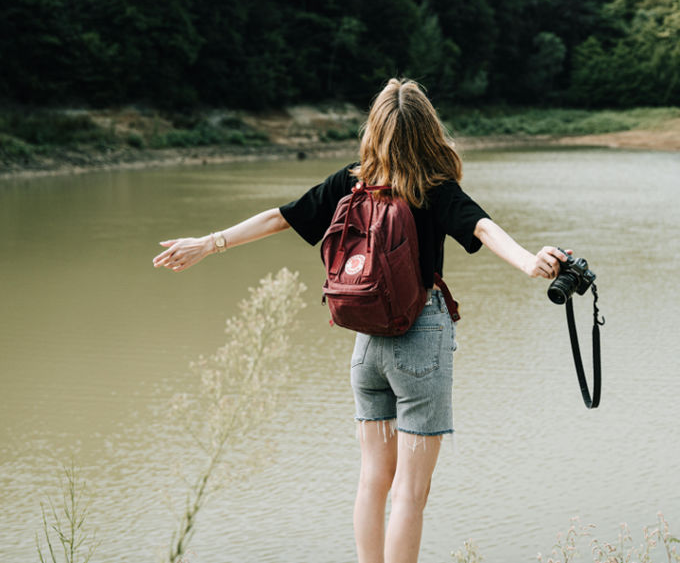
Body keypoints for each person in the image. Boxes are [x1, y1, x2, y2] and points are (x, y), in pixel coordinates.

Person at [153, 78, 568, 563]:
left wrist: (209, 243)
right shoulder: (434, 186)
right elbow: (482, 227)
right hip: (420, 343)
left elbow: (280, 218)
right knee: (410, 493)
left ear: (374, 129)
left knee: (373, 481)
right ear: (428, 130)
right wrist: (528, 262)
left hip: (366, 348)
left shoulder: (352, 181)